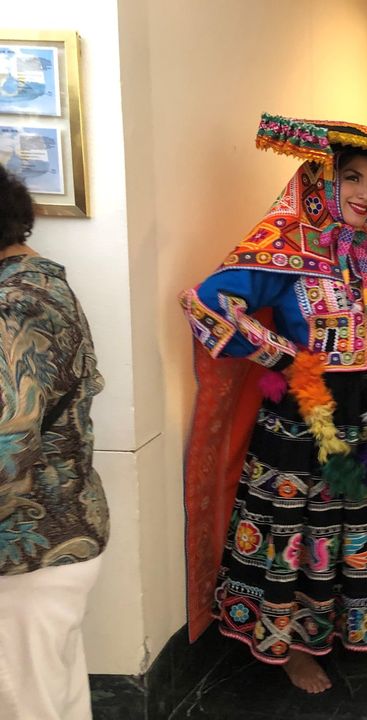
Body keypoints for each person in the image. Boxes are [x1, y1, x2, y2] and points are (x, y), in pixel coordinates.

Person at [180, 115, 367, 694]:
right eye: (351, 178)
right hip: (302, 422)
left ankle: (366, 630)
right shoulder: (286, 243)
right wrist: (285, 359)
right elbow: (207, 303)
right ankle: (294, 648)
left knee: (365, 525)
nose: (365, 194)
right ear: (320, 179)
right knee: (301, 534)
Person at [0, 165, 109, 720]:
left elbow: (8, 447)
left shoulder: (9, 306)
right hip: (60, 533)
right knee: (56, 700)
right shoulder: (43, 284)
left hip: (24, 552)